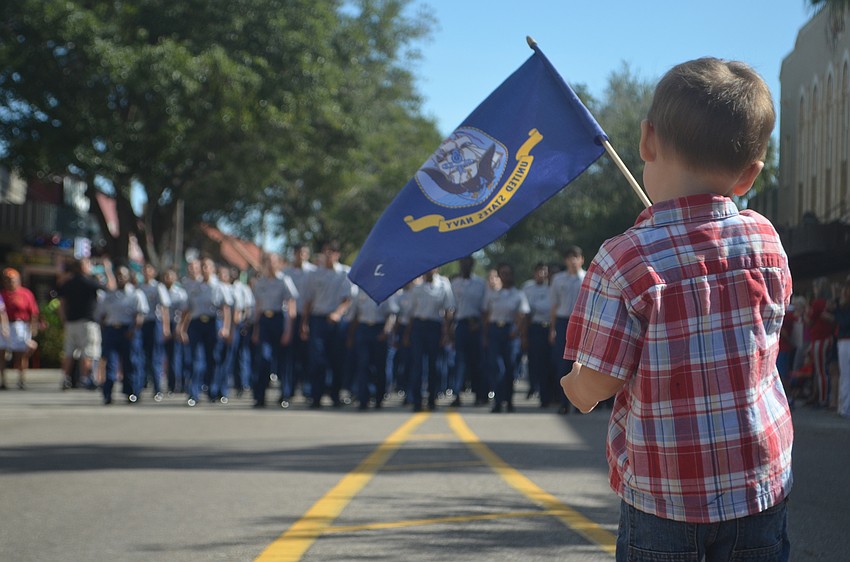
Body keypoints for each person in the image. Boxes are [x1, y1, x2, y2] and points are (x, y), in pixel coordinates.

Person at [560, 58, 792, 559]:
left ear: (646, 141)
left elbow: (597, 383)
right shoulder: (766, 241)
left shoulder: (625, 258)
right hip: (757, 483)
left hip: (665, 494)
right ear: (750, 174)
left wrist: (574, 385)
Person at [301, 241, 355, 409]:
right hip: (318, 319)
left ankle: (335, 395)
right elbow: (308, 300)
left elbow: (348, 299)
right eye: (326, 252)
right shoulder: (315, 274)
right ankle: (316, 396)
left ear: (337, 254)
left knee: (337, 359)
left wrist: (337, 313)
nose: (328, 255)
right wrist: (304, 323)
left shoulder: (345, 273)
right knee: (317, 359)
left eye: (332, 252)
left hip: (336, 321)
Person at [57, 257, 115, 390]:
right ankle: (85, 378)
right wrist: (107, 269)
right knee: (88, 351)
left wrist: (64, 319)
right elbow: (111, 288)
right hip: (87, 322)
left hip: (70, 322)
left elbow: (62, 304)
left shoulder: (67, 283)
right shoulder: (89, 282)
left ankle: (65, 378)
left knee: (69, 353)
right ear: (83, 267)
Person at [96, 265, 147, 404]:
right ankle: (107, 393)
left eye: (123, 275)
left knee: (130, 363)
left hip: (128, 331)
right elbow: (101, 316)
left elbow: (139, 315)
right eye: (118, 275)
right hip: (112, 330)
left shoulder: (136, 294)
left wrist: (133, 330)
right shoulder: (108, 295)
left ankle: (131, 392)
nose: (120, 278)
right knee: (110, 363)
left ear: (128, 277)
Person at [252, 253, 298, 408]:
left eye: (273, 262)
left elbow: (291, 306)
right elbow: (258, 307)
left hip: (279, 320)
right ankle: (260, 396)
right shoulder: (260, 283)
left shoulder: (285, 281)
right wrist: (256, 329)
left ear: (279, 264)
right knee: (263, 359)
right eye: (267, 262)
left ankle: (284, 395)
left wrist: (288, 330)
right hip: (265, 321)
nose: (270, 265)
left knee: (283, 361)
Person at [483, 263, 529, 413]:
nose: (505, 276)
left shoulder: (518, 294)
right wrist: (485, 335)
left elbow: (523, 315)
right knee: (497, 368)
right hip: (495, 330)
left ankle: (508, 401)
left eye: (508, 273)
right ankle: (497, 401)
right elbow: (486, 315)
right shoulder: (492, 294)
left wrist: (518, 331)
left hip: (510, 332)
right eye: (502, 273)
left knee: (510, 368)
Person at [406, 269, 454, 412]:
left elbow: (448, 310)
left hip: (435, 326)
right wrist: (407, 334)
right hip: (419, 326)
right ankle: (416, 401)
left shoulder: (443, 284)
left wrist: (447, 333)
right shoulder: (418, 287)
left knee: (434, 365)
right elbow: (411, 313)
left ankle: (432, 399)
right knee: (417, 365)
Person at [549, 245, 585, 414]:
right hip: (563, 322)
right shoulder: (558, 280)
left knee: (580, 365)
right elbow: (554, 306)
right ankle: (564, 402)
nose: (573, 261)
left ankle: (580, 402)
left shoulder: (587, 278)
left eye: (576, 257)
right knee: (563, 364)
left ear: (581, 260)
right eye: (569, 257)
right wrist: (552, 328)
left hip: (582, 323)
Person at [348, 290, 397, 410]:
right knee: (363, 365)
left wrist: (386, 331)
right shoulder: (359, 291)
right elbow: (354, 315)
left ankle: (379, 398)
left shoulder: (385, 290)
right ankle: (363, 399)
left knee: (380, 366)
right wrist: (350, 336)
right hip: (363, 329)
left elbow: (391, 314)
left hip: (379, 329)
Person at [449, 256, 487, 406]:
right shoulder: (455, 283)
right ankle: (457, 394)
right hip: (461, 325)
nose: (465, 266)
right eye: (462, 263)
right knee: (459, 361)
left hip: (476, 325)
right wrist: (449, 329)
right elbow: (451, 308)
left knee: (477, 362)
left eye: (468, 263)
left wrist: (480, 325)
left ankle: (479, 394)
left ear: (472, 265)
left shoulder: (480, 283)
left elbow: (485, 308)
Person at [0, 268, 39, 390]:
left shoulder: (26, 294)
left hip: (21, 326)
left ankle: (21, 380)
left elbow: (33, 312)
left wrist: (33, 328)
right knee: (1, 354)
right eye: (6, 279)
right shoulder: (2, 294)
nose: (9, 282)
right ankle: (3, 381)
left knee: (21, 355)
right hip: (4, 326)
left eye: (11, 279)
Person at [522, 262, 554, 407]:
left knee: (548, 363)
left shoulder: (552, 287)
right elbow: (525, 311)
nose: (542, 274)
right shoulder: (528, 287)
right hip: (534, 328)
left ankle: (547, 395)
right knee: (535, 362)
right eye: (539, 270)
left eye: (544, 271)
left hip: (548, 327)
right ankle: (535, 388)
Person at [138, 263, 171, 402]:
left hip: (154, 323)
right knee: (139, 357)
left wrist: (165, 327)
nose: (146, 272)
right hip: (141, 324)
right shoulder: (138, 288)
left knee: (155, 357)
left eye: (149, 270)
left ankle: (158, 389)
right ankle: (138, 388)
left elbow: (164, 308)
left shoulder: (158, 287)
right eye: (144, 270)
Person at [834, 279, 850, 418]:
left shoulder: (843, 307)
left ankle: (845, 408)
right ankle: (844, 408)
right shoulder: (843, 306)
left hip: (845, 341)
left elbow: (842, 322)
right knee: (845, 376)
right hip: (844, 341)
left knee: (845, 376)